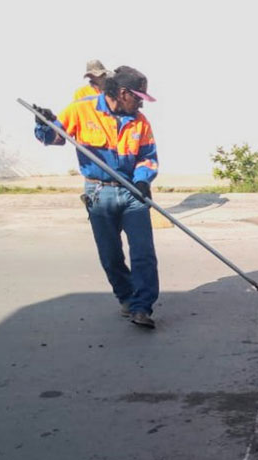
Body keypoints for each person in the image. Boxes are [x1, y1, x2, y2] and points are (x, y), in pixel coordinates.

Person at [33, 66, 160, 329]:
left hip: (132, 192)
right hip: (99, 193)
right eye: (138, 98)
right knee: (110, 256)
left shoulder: (140, 121)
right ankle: (127, 297)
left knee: (144, 253)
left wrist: (142, 180)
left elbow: (148, 157)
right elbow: (54, 138)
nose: (141, 104)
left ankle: (142, 307)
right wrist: (44, 123)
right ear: (123, 93)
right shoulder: (81, 109)